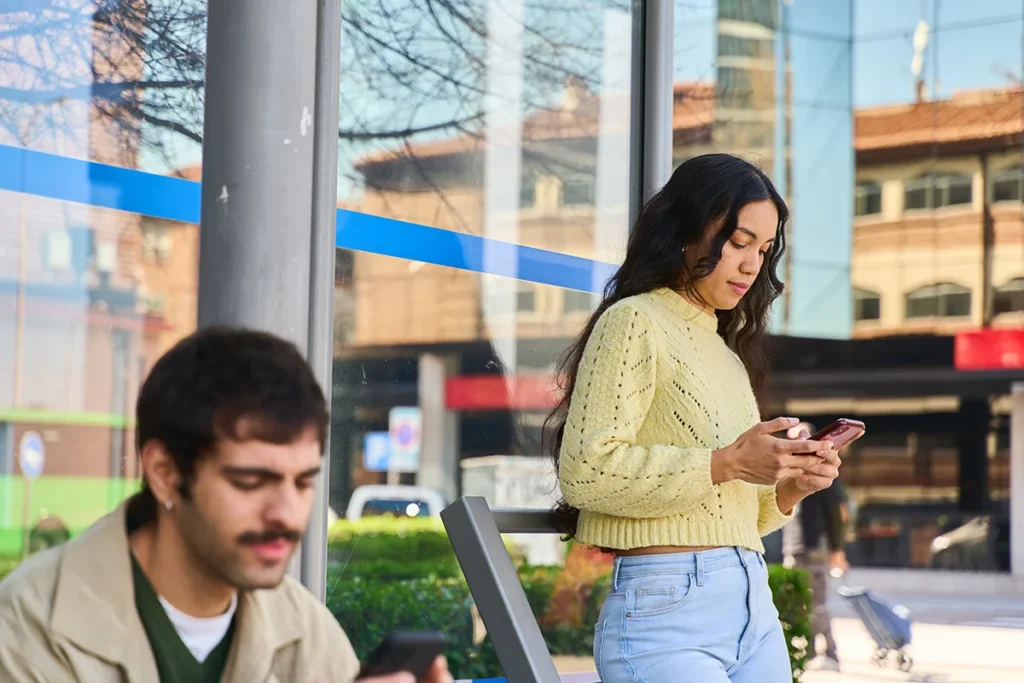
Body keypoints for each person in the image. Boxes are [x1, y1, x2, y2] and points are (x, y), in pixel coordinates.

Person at [0, 327, 452, 683]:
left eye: (304, 482)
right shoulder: (29, 624)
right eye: (251, 481)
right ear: (164, 472)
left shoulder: (304, 628)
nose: (287, 512)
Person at [545, 154, 842, 683]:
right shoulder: (634, 321)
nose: (753, 265)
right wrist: (725, 462)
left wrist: (792, 487)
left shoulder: (726, 353)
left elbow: (742, 517)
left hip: (752, 603)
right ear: (686, 230)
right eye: (739, 241)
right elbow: (586, 472)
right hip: (666, 609)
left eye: (765, 249)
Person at [783, 421, 849, 672]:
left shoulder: (821, 467)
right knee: (802, 603)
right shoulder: (790, 467)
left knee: (816, 602)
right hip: (794, 546)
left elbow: (835, 513)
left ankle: (830, 651)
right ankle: (814, 650)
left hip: (813, 545)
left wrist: (837, 550)